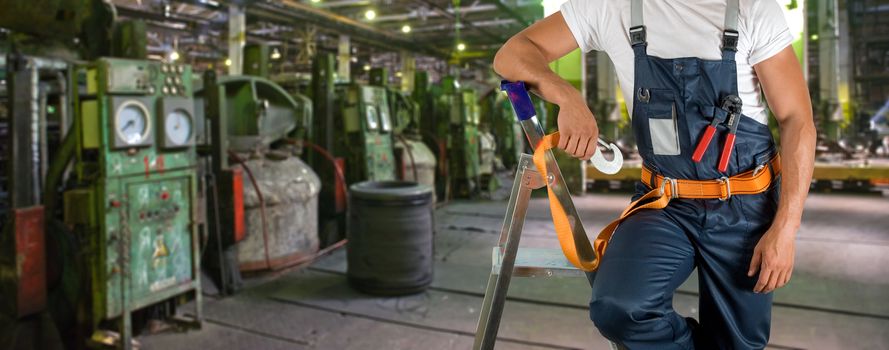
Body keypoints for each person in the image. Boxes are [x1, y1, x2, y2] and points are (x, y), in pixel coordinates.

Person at [493, 0, 816, 349]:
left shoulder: (750, 7)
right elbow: (512, 54)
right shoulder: (611, 7)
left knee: (739, 343)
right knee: (620, 308)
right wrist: (567, 97)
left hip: (745, 209)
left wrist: (785, 228)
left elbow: (797, 120)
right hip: (665, 203)